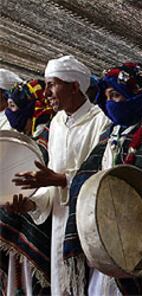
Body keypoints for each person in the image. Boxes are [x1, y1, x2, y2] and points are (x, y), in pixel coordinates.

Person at [7, 55, 110, 295]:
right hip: (60, 222)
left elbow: (103, 175)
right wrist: (31, 204)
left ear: (74, 86)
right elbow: (48, 182)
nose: (46, 93)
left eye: (52, 84)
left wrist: (61, 179)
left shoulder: (101, 121)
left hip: (90, 224)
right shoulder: (56, 124)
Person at [62, 62, 142, 296]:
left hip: (134, 235)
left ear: (135, 95)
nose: (111, 103)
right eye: (107, 96)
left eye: (117, 95)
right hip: (102, 232)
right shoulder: (109, 133)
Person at [0, 79, 54, 296]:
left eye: (14, 106)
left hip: (40, 219)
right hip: (16, 217)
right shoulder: (19, 138)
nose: (11, 112)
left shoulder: (46, 139)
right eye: (10, 106)